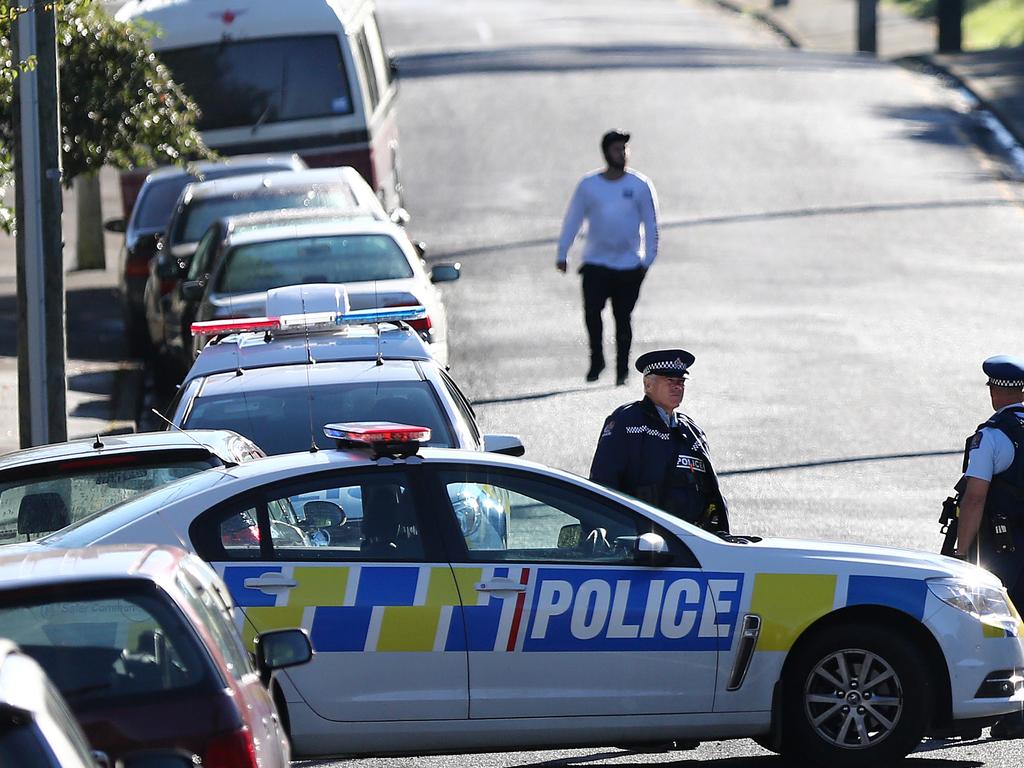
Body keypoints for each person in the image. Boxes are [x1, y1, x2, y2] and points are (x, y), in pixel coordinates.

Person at [952, 355, 1024, 740]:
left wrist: (962, 553)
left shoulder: (993, 435)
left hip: (1005, 548)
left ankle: (997, 710)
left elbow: (975, 498)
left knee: (997, 625)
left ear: (997, 391)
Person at [557, 129, 659, 385]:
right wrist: (563, 252)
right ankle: (596, 359)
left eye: (625, 149)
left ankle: (622, 370)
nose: (622, 154)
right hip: (595, 263)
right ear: (606, 153)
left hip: (628, 265)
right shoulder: (589, 185)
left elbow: (652, 224)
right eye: (616, 149)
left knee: (623, 317)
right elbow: (573, 219)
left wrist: (647, 261)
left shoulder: (640, 185)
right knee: (592, 313)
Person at [589, 349, 728, 530]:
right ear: (648, 384)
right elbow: (603, 481)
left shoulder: (692, 431)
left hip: (690, 540)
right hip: (639, 538)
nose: (677, 387)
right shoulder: (627, 421)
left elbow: (711, 493)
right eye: (670, 381)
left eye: (681, 382)